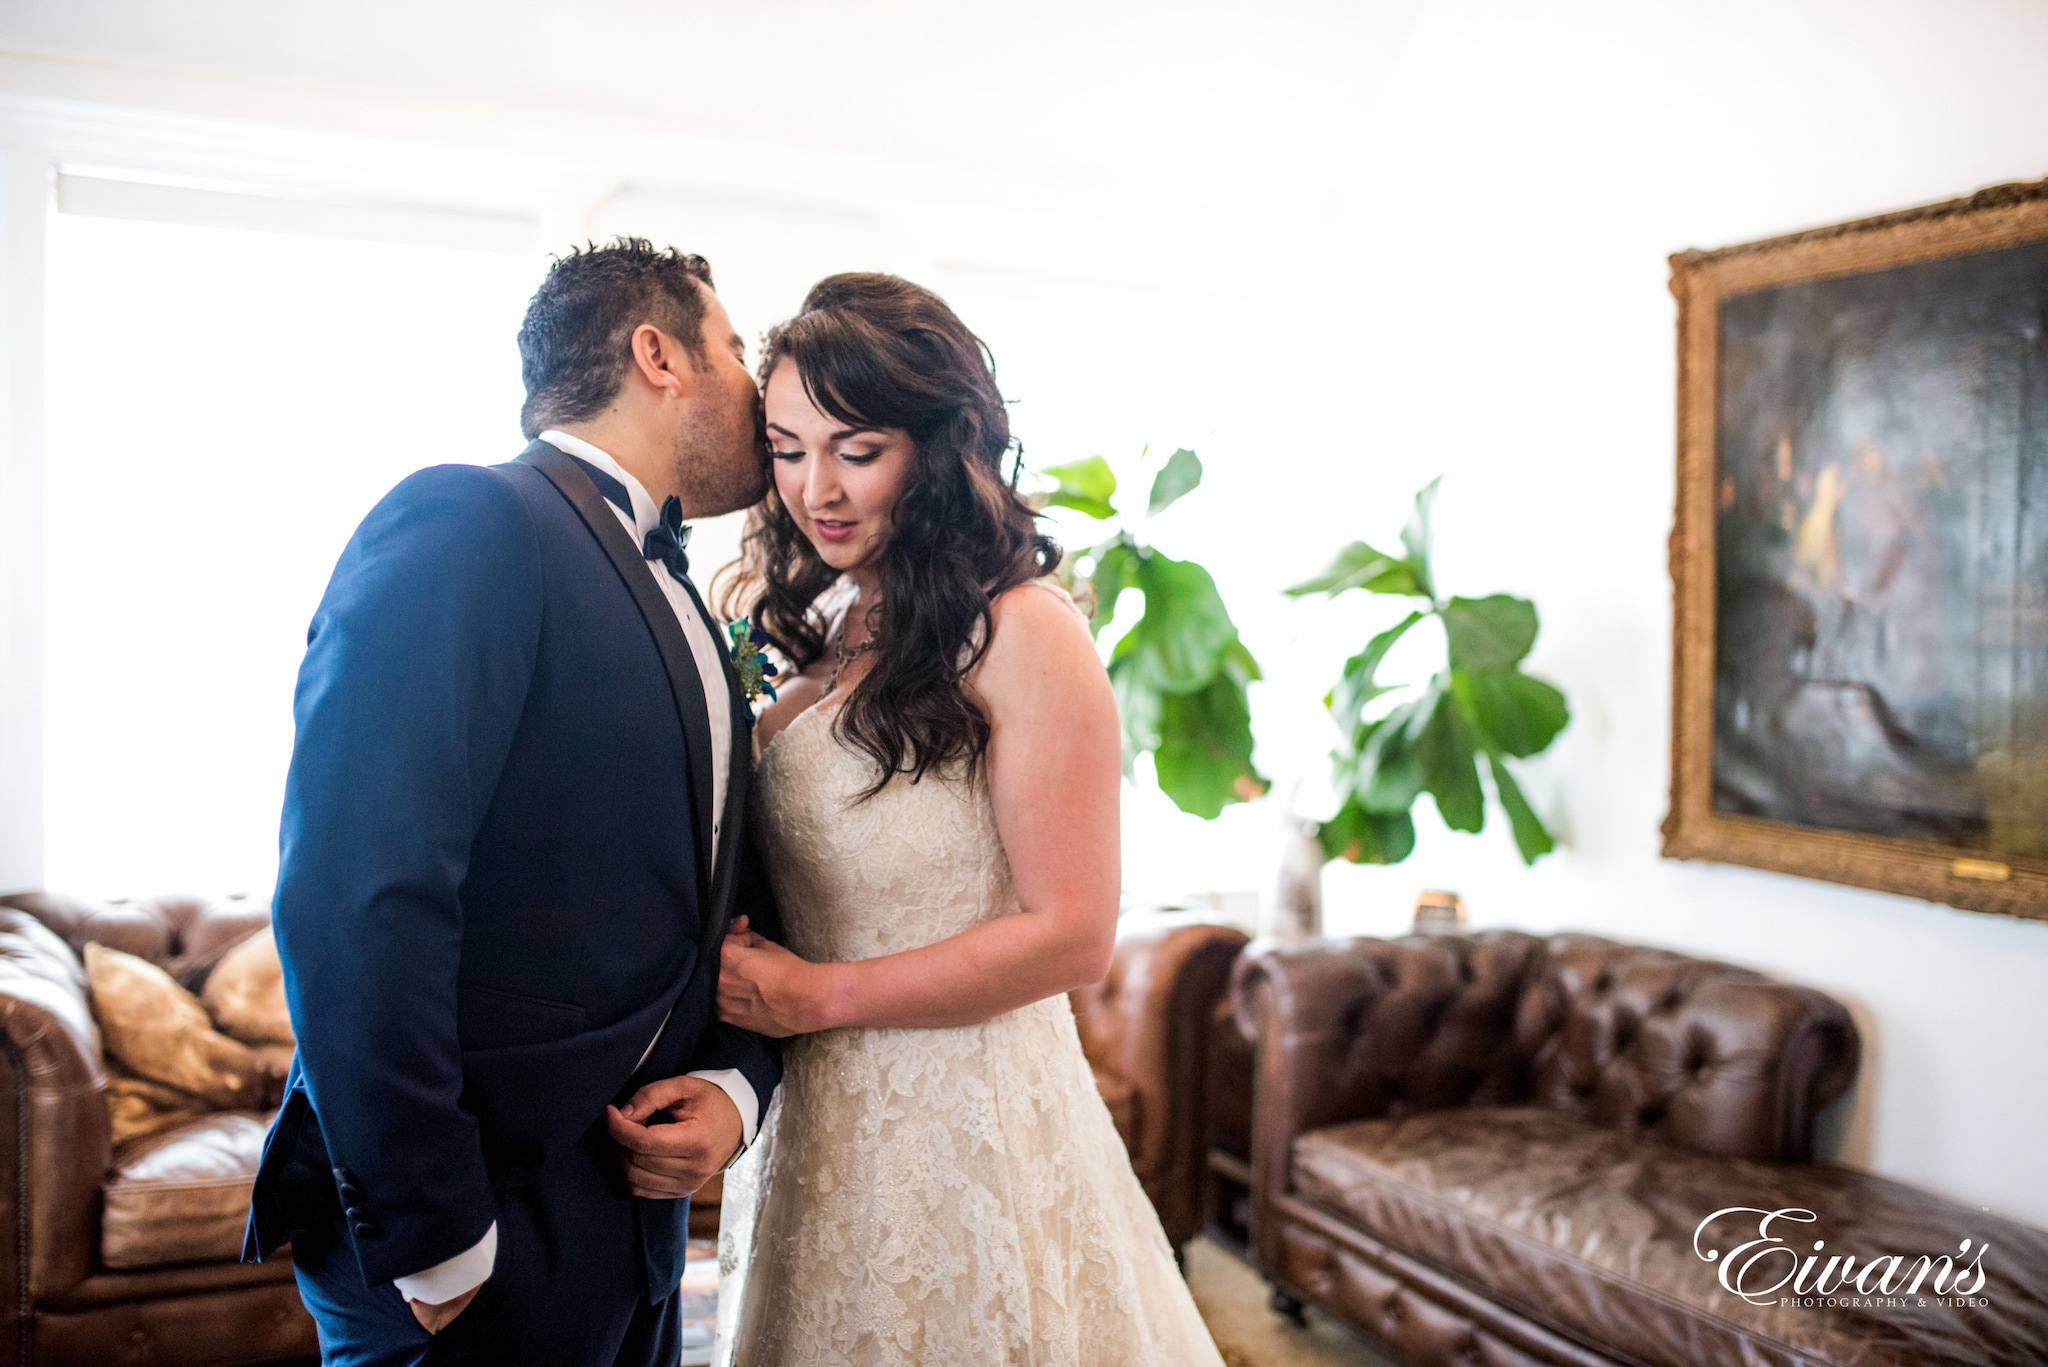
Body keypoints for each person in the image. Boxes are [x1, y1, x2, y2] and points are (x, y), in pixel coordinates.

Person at [244, 239, 784, 1367]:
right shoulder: (469, 519)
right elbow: (356, 891)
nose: (758, 385)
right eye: (735, 350)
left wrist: (735, 1083)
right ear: (657, 355)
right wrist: (436, 1231)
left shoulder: (679, 579)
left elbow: (716, 889)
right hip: (476, 1216)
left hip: (627, 1215)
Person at [710, 273, 1228, 1366]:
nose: (817, 488)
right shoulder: (835, 617)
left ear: (937, 448)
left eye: (856, 449)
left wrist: (817, 992)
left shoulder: (1026, 630)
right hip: (817, 1117)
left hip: (965, 1122)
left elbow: (1073, 932)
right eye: (789, 447)